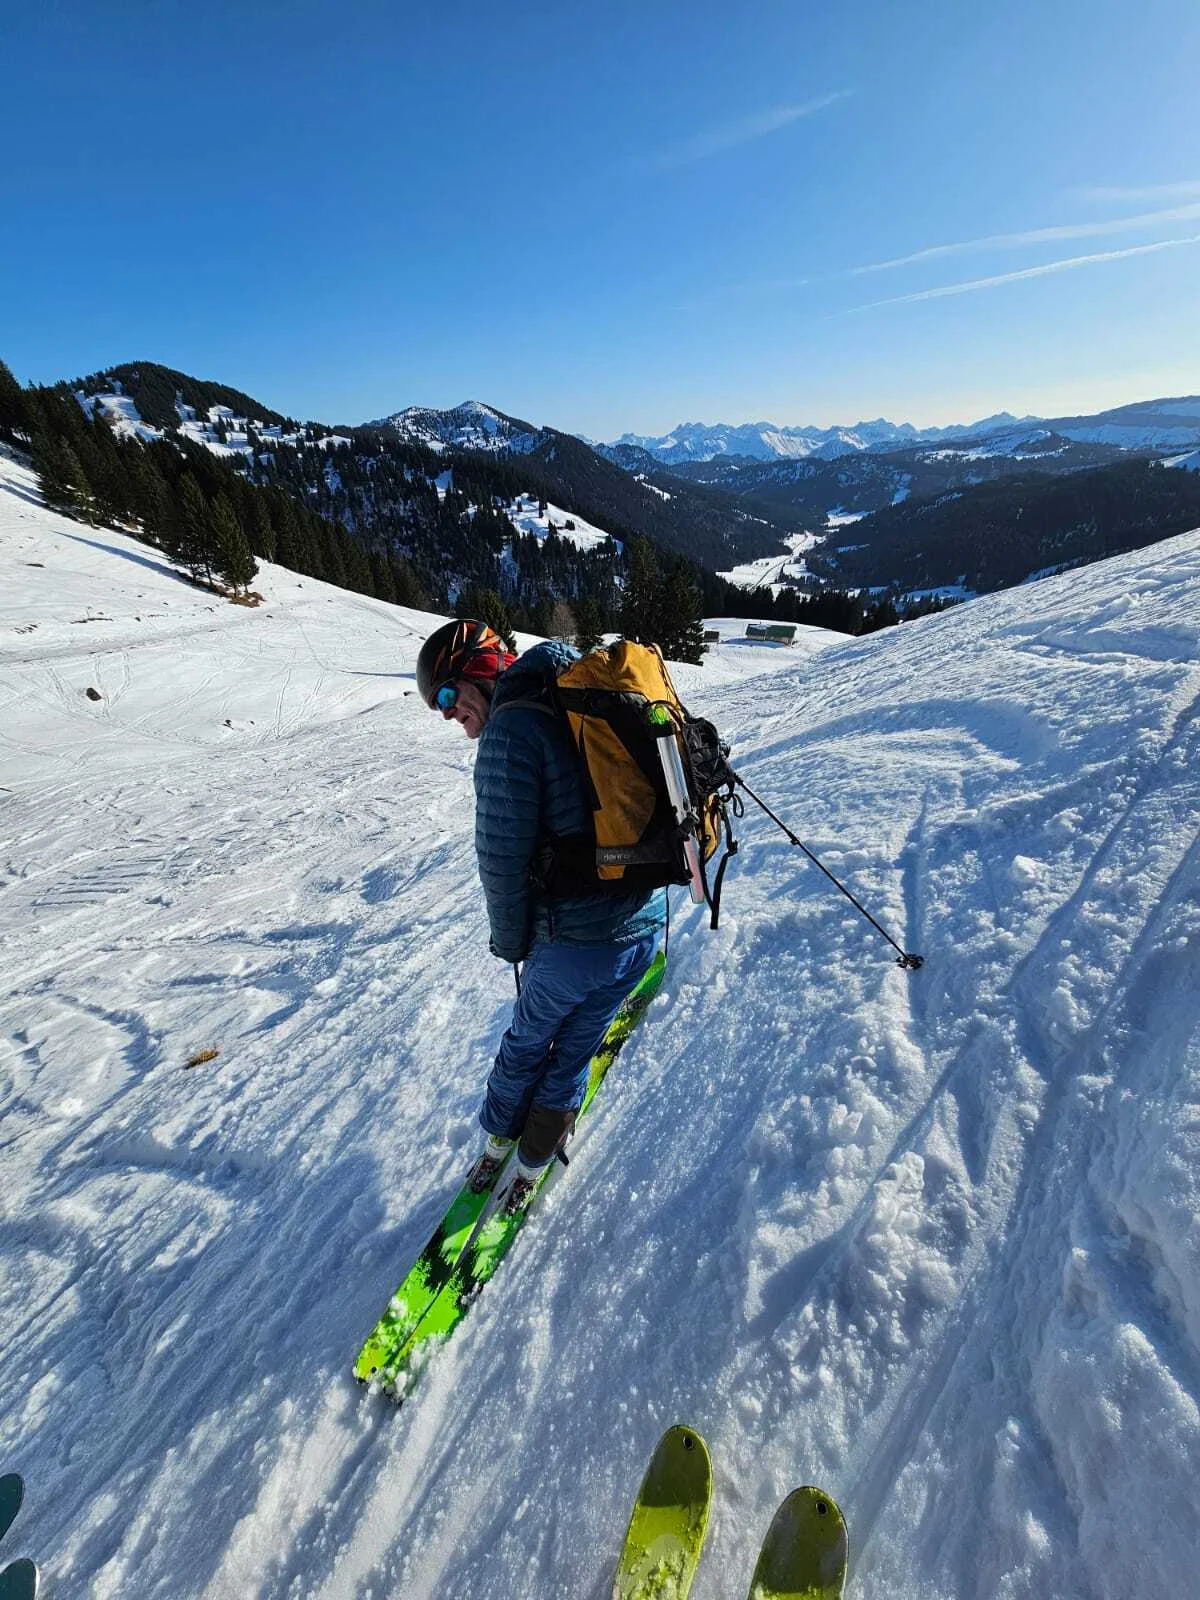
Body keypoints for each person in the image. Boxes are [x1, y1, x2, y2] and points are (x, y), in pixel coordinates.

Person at [415, 618, 665, 1212]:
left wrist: (511, 941)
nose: (448, 715)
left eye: (448, 696)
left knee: (527, 1044)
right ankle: (534, 1162)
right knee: (577, 1045)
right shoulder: (584, 690)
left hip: (574, 942)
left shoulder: (510, 731)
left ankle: (502, 1143)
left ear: (480, 670)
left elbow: (501, 856)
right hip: (642, 927)